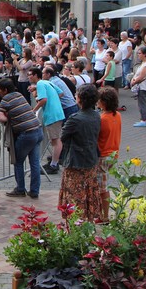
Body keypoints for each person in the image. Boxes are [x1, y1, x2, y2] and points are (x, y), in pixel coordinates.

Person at [58, 83, 102, 221]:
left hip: (76, 161)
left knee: (74, 195)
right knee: (89, 192)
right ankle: (88, 223)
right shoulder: (96, 115)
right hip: (91, 158)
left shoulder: (75, 118)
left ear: (80, 99)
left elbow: (62, 136)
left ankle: (76, 227)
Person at [0, 78, 44, 199]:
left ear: (5, 90)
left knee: (18, 162)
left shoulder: (5, 99)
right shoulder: (19, 94)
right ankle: (34, 191)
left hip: (26, 134)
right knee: (34, 163)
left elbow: (0, 116)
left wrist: (10, 122)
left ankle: (20, 189)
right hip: (37, 130)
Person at [29, 67, 65, 174]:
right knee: (55, 140)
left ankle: (54, 165)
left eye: (30, 74)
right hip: (58, 113)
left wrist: (34, 110)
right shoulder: (46, 82)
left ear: (36, 75)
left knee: (55, 140)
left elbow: (44, 100)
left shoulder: (40, 84)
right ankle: (54, 162)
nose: (29, 76)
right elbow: (61, 93)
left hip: (51, 115)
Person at [96, 86, 121, 221]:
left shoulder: (102, 119)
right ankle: (102, 214)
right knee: (103, 185)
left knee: (102, 188)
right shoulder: (117, 115)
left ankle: (104, 216)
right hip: (113, 154)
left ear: (104, 102)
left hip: (103, 155)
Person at [130, 46, 146, 127]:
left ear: (145, 54)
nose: (138, 55)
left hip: (143, 86)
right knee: (141, 102)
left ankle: (144, 120)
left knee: (142, 103)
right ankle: (143, 119)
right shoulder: (144, 63)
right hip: (141, 86)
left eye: (139, 53)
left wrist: (133, 82)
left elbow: (141, 77)